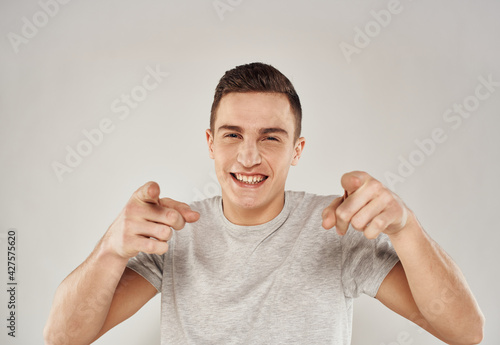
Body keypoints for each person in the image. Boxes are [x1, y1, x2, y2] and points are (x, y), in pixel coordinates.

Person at [44, 62, 484, 345]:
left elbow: (466, 332)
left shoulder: (336, 228)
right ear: (210, 143)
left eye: (270, 138)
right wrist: (109, 250)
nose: (249, 156)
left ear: (297, 149)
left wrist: (405, 229)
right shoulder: (177, 234)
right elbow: (62, 339)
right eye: (233, 134)